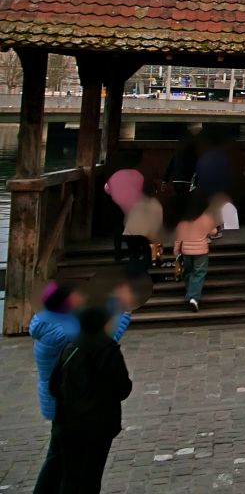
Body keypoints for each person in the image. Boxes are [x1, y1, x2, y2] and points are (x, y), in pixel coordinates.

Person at [35, 305, 133, 494]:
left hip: (68, 423)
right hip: (98, 425)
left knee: (70, 476)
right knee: (91, 475)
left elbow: (54, 386)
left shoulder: (70, 347)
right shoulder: (107, 349)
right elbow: (122, 388)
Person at [30, 284, 131, 423]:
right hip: (67, 400)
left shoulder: (47, 319)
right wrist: (124, 312)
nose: (81, 297)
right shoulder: (63, 333)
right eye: (75, 296)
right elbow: (102, 342)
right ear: (65, 303)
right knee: (74, 440)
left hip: (60, 395)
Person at [173, 193, 218, 312]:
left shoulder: (184, 218)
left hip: (186, 251)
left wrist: (176, 251)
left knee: (188, 272)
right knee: (199, 273)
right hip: (201, 250)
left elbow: (178, 236)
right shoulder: (206, 217)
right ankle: (193, 298)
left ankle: (190, 294)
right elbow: (214, 232)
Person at [102, 162, 143, 262]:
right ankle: (134, 253)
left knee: (118, 226)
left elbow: (106, 188)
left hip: (115, 203)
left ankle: (118, 253)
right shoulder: (137, 176)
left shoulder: (115, 176)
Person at [122, 182, 163, 281]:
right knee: (148, 254)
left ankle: (132, 276)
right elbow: (156, 226)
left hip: (130, 233)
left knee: (134, 255)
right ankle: (140, 273)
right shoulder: (155, 205)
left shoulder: (135, 202)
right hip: (144, 234)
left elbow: (126, 219)